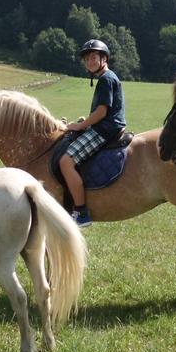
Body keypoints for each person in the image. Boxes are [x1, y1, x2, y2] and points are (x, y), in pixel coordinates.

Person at [59, 39, 126, 228]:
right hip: (106, 126)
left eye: (94, 57)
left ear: (104, 58)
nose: (90, 61)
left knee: (66, 162)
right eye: (87, 59)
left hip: (105, 129)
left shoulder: (106, 79)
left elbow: (102, 112)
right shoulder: (107, 77)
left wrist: (80, 126)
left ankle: (81, 212)